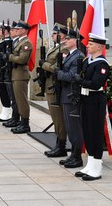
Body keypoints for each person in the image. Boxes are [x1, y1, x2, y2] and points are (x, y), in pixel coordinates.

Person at [75, 33, 110, 181]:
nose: (87, 46)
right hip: (86, 99)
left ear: (99, 47)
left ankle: (97, 168)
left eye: (91, 44)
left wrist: (81, 81)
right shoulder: (89, 62)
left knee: (95, 133)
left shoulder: (102, 64)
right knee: (87, 132)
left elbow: (96, 84)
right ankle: (90, 164)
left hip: (96, 100)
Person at [54, 28, 85, 168]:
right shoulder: (70, 55)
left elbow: (73, 77)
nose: (65, 41)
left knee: (74, 128)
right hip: (65, 95)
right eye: (65, 39)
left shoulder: (78, 56)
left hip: (71, 95)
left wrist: (58, 73)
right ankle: (73, 154)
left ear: (75, 41)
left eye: (68, 39)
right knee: (69, 126)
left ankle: (77, 157)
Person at [38, 25, 68, 158]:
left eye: (55, 34)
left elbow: (57, 68)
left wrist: (44, 64)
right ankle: (58, 142)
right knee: (55, 117)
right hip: (50, 86)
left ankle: (61, 145)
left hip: (56, 87)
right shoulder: (55, 47)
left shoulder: (64, 48)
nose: (52, 36)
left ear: (62, 35)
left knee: (58, 118)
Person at [8, 20, 33, 134]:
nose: (16, 30)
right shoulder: (19, 42)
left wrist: (10, 57)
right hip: (16, 73)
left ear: (24, 30)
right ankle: (19, 121)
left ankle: (25, 124)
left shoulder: (26, 43)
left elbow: (22, 59)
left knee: (22, 100)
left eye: (18, 29)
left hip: (21, 74)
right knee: (17, 99)